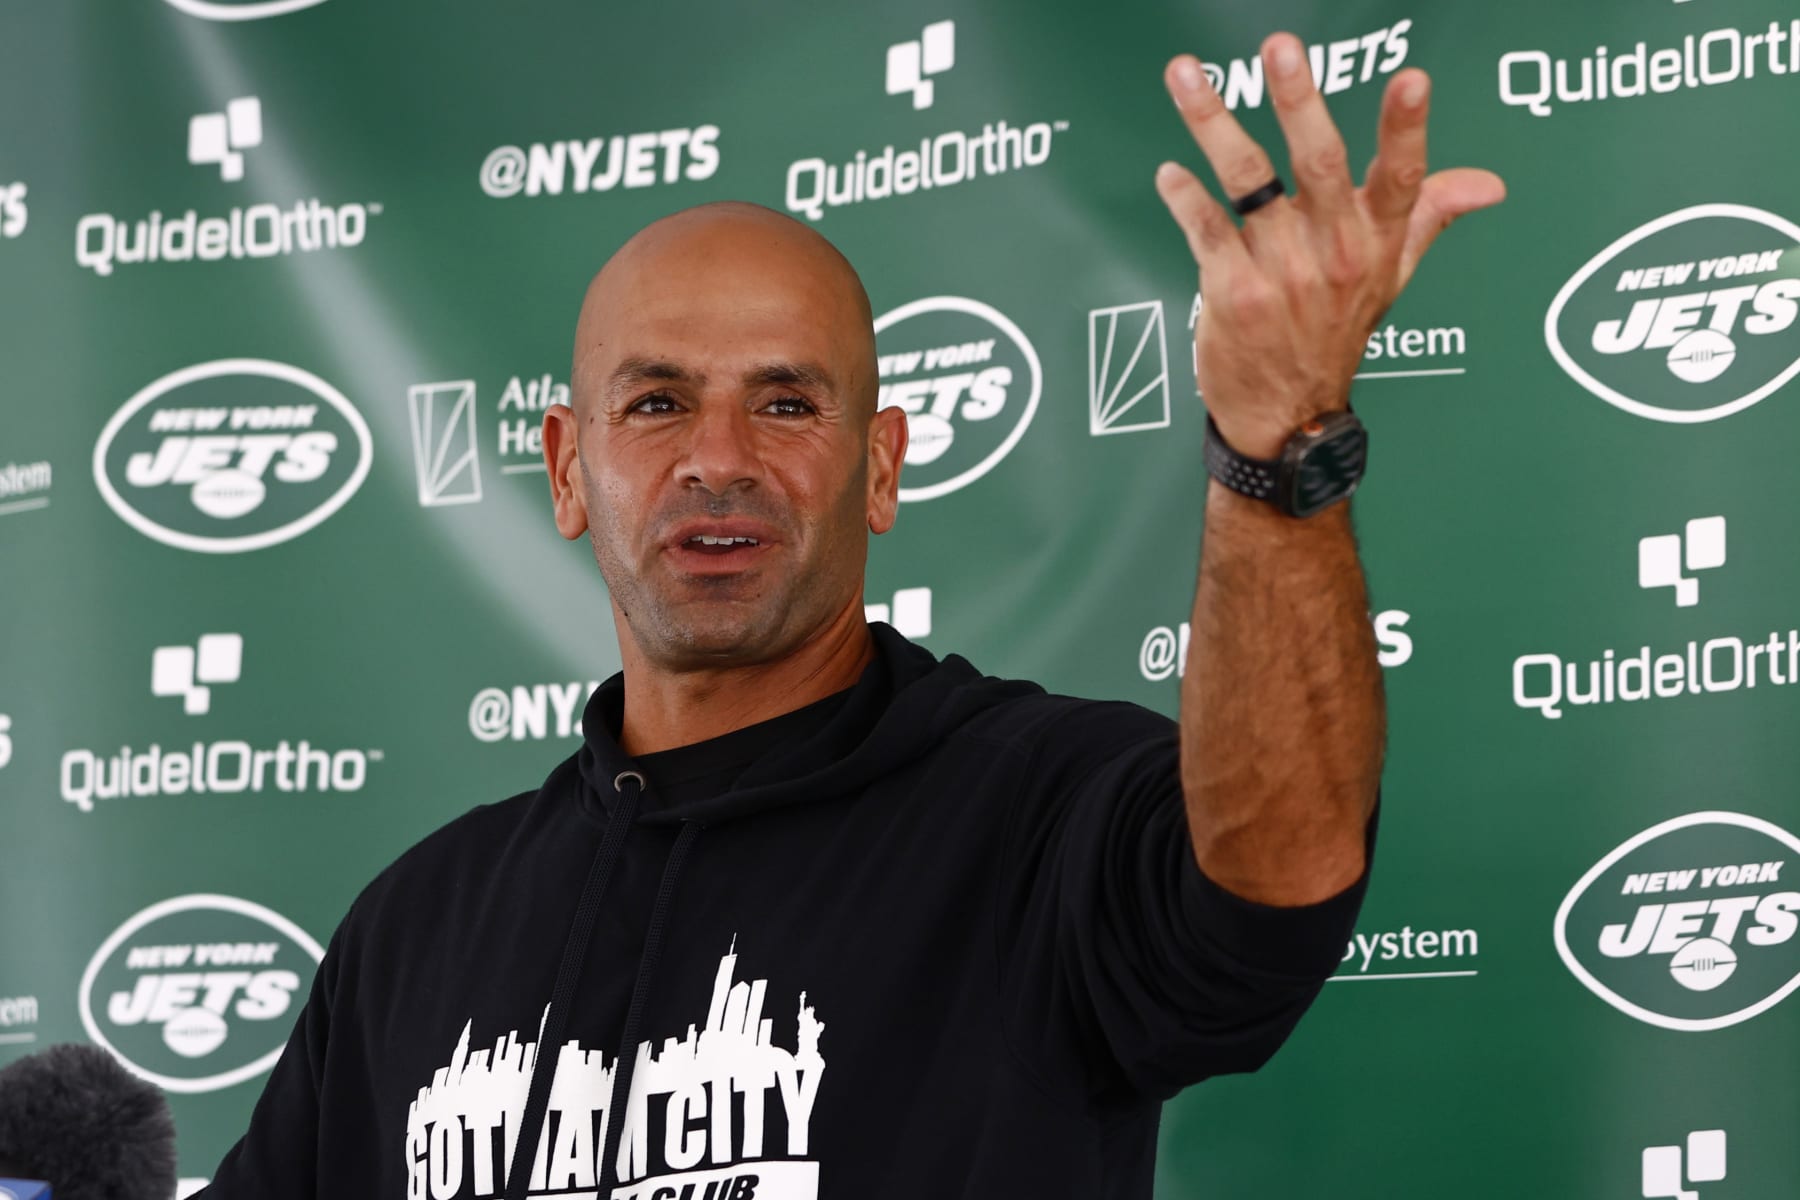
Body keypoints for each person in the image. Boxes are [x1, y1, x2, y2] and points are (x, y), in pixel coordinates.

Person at [200, 34, 1502, 1200]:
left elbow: (1270, 893)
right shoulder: (418, 928)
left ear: (880, 468)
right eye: (656, 405)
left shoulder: (1037, 814)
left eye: (786, 403)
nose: (719, 458)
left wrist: (1274, 452)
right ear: (563, 469)